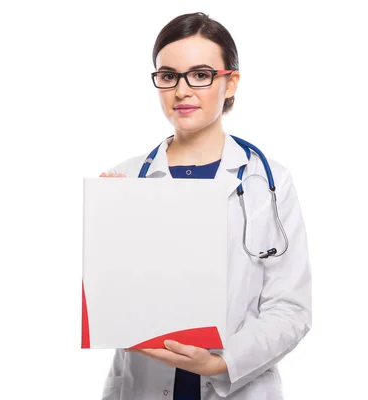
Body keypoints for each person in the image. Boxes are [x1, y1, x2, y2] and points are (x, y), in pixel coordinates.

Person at [98, 12, 312, 400]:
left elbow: (290, 309)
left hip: (238, 385)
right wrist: (105, 227)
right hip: (143, 387)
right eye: (168, 75)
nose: (182, 90)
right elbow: (109, 302)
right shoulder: (124, 181)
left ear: (230, 83)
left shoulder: (268, 181)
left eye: (200, 75)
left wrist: (222, 363)